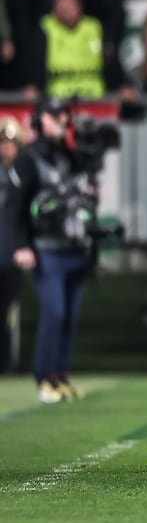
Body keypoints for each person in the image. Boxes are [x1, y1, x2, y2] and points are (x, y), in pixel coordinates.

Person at [11, 98, 94, 403]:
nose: (61, 119)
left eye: (63, 114)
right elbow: (14, 206)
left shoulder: (69, 156)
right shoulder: (28, 158)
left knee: (68, 316)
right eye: (54, 114)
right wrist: (20, 244)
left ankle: (59, 376)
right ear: (41, 119)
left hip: (73, 245)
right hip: (45, 248)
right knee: (54, 312)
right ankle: (44, 379)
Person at [0, 116, 24, 373]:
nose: (6, 148)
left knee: (9, 314)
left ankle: (8, 362)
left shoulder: (22, 174)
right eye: (2, 143)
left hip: (11, 256)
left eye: (10, 143)